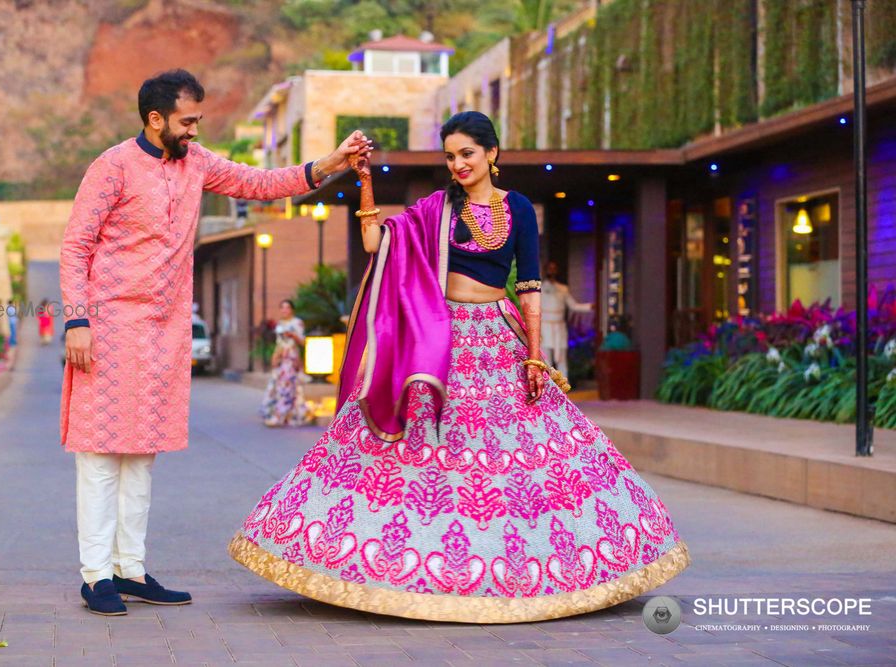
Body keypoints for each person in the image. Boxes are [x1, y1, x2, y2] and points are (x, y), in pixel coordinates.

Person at [229, 111, 689, 623]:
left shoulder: (517, 209)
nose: (458, 164)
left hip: (499, 338)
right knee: (420, 451)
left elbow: (530, 283)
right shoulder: (436, 208)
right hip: (440, 342)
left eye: (467, 154)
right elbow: (375, 244)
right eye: (450, 156)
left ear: (492, 153)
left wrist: (535, 354)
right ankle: (398, 565)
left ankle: (524, 569)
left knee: (518, 462)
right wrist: (364, 182)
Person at [60, 69, 371, 616]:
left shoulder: (197, 164)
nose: (195, 130)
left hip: (164, 332)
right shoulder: (112, 165)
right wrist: (77, 322)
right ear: (155, 119)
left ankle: (129, 569)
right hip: (108, 327)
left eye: (198, 120)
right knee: (101, 454)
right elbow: (75, 245)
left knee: (142, 457)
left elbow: (262, 182)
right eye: (187, 121)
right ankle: (95, 576)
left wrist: (331, 162)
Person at [260, 299, 311, 427]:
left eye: (287, 307)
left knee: (287, 386)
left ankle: (279, 416)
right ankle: (285, 414)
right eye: (282, 307)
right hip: (281, 358)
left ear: (292, 309)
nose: (284, 310)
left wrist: (293, 335)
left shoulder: (297, 323)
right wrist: (274, 357)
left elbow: (303, 342)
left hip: (291, 358)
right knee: (277, 386)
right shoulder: (280, 324)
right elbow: (279, 343)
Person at [540, 260, 592, 376]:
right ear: (545, 270)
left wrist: (591, 306)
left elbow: (573, 306)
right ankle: (547, 389)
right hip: (545, 327)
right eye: (549, 268)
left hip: (559, 327)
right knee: (546, 359)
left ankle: (564, 389)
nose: (551, 271)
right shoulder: (539, 288)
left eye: (554, 268)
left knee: (562, 359)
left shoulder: (563, 289)